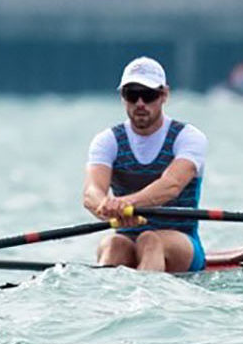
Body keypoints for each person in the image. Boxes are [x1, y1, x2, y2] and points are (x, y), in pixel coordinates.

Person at [82, 56, 208, 272]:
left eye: (148, 95)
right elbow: (91, 193)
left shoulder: (188, 137)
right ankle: (104, 301)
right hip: (125, 237)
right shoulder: (107, 140)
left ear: (164, 95)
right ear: (123, 97)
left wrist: (126, 204)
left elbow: (171, 185)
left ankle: (146, 302)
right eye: (132, 95)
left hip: (182, 242)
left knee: (150, 240)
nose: (140, 103)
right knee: (113, 244)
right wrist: (106, 207)